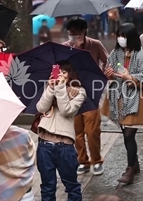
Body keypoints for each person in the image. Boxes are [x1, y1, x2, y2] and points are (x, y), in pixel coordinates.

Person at [101, 23, 143, 184]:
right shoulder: (115, 53)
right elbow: (109, 72)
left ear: (130, 37)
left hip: (137, 99)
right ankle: (134, 162)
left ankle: (130, 169)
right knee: (125, 134)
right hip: (118, 97)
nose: (121, 39)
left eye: (124, 36)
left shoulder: (142, 56)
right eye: (119, 35)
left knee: (129, 135)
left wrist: (132, 79)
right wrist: (109, 74)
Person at [62, 17, 109, 176]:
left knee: (92, 131)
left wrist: (103, 75)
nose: (74, 37)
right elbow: (58, 71)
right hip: (72, 95)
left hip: (91, 95)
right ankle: (83, 161)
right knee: (77, 133)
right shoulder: (64, 48)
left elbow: (108, 61)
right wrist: (66, 87)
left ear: (84, 32)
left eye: (77, 34)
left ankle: (96, 160)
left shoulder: (95, 45)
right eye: (70, 34)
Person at [36, 60, 86, 200]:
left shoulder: (78, 92)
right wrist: (51, 89)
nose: (61, 75)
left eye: (64, 72)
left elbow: (66, 110)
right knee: (47, 187)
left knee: (72, 186)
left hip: (64, 147)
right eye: (59, 72)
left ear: (70, 75)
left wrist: (61, 89)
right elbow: (40, 108)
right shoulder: (50, 87)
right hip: (44, 146)